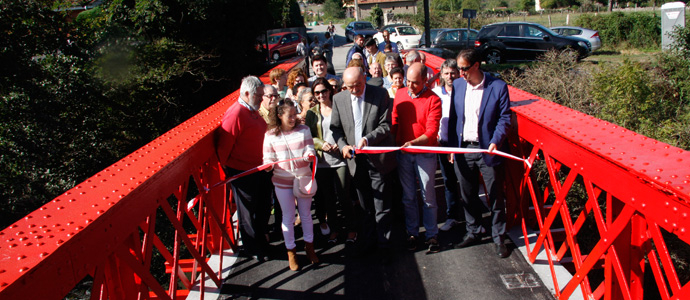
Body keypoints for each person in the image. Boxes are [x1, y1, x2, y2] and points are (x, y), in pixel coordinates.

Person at [448, 49, 512, 258]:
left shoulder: (498, 87)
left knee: (495, 195)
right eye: (458, 68)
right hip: (463, 148)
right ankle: (473, 231)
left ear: (476, 65)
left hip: (487, 148)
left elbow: (504, 118)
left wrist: (496, 141)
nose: (460, 73)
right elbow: (454, 118)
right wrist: (452, 148)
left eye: (464, 68)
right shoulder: (457, 85)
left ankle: (499, 237)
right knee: (467, 193)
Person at [330, 67, 396, 262]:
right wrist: (342, 145)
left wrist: (367, 139)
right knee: (365, 205)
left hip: (377, 158)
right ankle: (368, 241)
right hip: (354, 160)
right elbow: (336, 129)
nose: (354, 90)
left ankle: (384, 244)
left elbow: (386, 125)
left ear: (364, 79)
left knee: (382, 203)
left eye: (357, 86)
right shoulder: (339, 99)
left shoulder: (380, 94)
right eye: (349, 87)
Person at [216, 76, 272, 261]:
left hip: (259, 167)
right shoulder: (236, 113)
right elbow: (224, 146)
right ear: (247, 94)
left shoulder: (252, 111)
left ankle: (261, 240)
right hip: (243, 170)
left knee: (263, 204)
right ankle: (252, 247)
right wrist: (230, 169)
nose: (261, 99)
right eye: (259, 96)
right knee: (247, 209)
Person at [263, 99, 319, 271]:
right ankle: (291, 252)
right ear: (280, 116)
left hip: (303, 178)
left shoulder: (304, 130)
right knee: (287, 217)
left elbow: (310, 148)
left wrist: (309, 155)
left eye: (295, 114)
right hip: (282, 181)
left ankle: (309, 247)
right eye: (290, 115)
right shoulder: (271, 135)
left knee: (306, 214)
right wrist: (269, 165)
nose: (295, 118)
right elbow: (267, 158)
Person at [392, 63, 443, 253]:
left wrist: (413, 142)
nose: (410, 86)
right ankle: (412, 232)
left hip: (425, 153)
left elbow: (431, 132)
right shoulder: (400, 94)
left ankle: (431, 235)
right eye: (408, 82)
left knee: (428, 196)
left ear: (425, 80)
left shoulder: (434, 100)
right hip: (404, 153)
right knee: (408, 196)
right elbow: (394, 121)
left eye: (415, 83)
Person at [305, 78, 357, 244]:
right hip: (322, 161)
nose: (321, 95)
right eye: (317, 93)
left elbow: (350, 128)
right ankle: (334, 230)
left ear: (330, 91)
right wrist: (322, 144)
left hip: (340, 159)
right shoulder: (312, 113)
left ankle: (351, 229)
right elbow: (308, 136)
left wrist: (340, 143)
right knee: (328, 199)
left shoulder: (339, 107)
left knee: (344, 196)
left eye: (323, 91)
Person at [431, 59, 463, 232]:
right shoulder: (435, 93)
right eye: (446, 73)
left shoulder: (464, 91)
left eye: (453, 73)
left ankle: (471, 218)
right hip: (443, 144)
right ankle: (452, 216)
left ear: (458, 74)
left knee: (466, 182)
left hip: (461, 144)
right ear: (441, 75)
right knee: (449, 181)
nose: (450, 76)